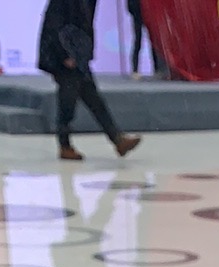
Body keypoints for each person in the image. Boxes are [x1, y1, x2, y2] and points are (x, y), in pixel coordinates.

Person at [37, 0, 141, 163]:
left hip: (77, 56)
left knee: (94, 99)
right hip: (65, 59)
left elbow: (84, 25)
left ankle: (117, 139)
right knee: (68, 102)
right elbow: (55, 25)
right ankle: (65, 145)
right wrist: (65, 54)